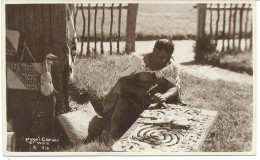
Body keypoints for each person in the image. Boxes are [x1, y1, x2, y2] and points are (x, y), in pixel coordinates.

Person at [95, 39, 186, 141]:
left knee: (170, 119)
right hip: (135, 98)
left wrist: (164, 96)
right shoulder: (139, 61)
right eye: (162, 58)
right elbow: (123, 82)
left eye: (167, 58)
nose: (164, 61)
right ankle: (113, 132)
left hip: (156, 101)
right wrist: (137, 91)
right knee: (123, 101)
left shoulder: (170, 64)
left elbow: (174, 88)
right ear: (155, 51)